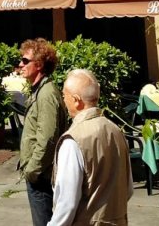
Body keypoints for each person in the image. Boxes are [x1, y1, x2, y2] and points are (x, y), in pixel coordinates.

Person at [48, 69, 131, 226]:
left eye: (64, 96)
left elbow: (67, 202)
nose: (63, 101)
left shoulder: (73, 140)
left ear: (76, 100)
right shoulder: (116, 131)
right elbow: (128, 189)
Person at [19, 38, 69, 226]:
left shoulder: (46, 94)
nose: (20, 65)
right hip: (39, 173)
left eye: (25, 61)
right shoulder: (40, 90)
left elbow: (47, 138)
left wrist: (33, 170)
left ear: (38, 64)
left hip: (41, 176)